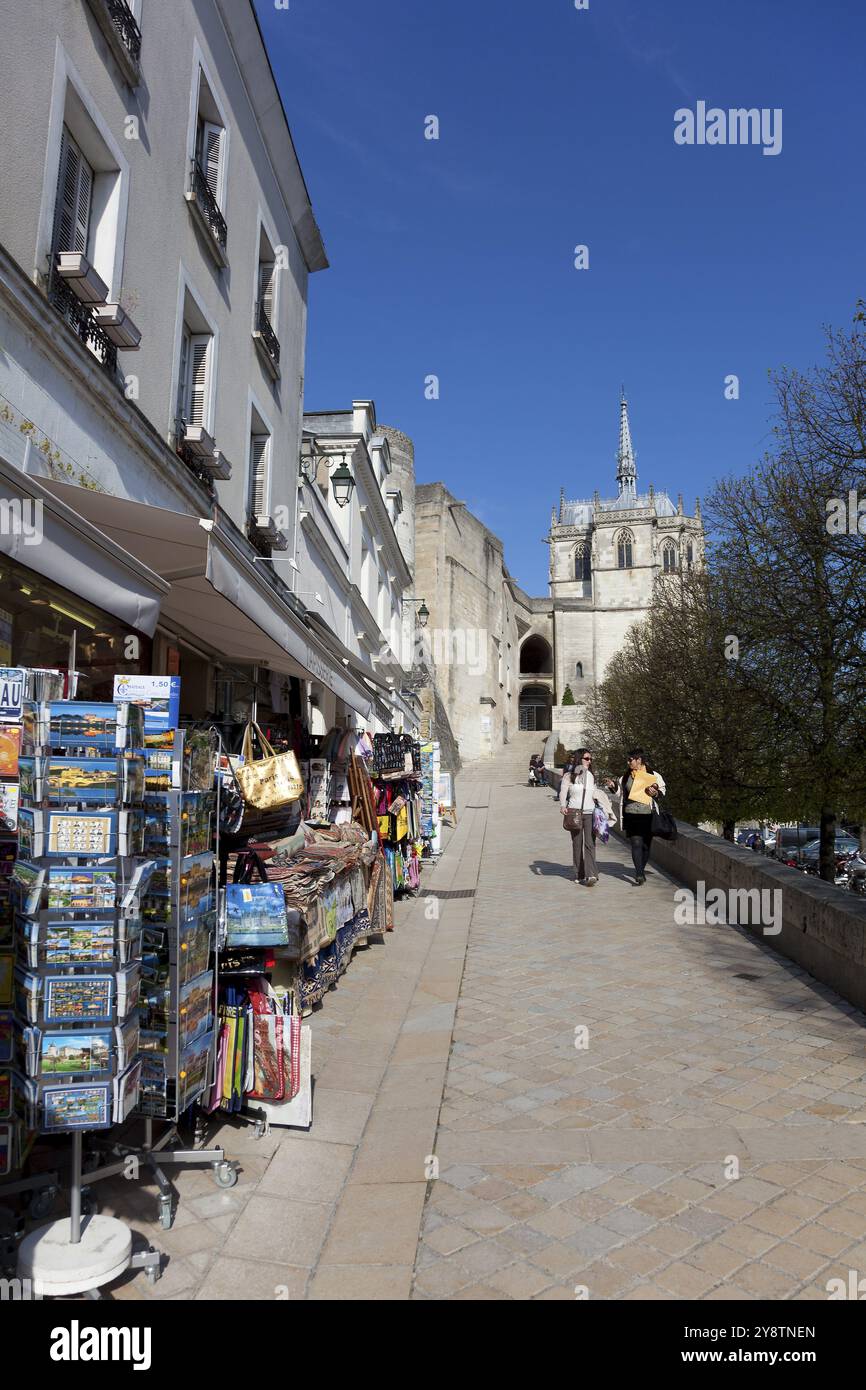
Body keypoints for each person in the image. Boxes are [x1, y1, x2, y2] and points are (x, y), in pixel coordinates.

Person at [607, 748, 666, 886]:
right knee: (636, 843)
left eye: (630, 760)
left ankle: (641, 868)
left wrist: (655, 793)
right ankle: (639, 874)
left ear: (639, 760)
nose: (628, 762)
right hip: (630, 814)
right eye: (628, 760)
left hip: (647, 815)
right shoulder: (626, 776)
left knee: (646, 846)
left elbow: (663, 790)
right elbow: (619, 793)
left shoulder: (653, 775)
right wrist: (612, 786)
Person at [559, 747, 612, 886]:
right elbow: (563, 791)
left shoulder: (591, 775)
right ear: (579, 759)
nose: (590, 761)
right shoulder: (569, 775)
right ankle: (578, 873)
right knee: (577, 844)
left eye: (590, 759)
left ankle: (590, 875)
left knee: (590, 844)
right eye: (586, 758)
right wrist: (563, 805)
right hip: (574, 813)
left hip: (590, 813)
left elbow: (593, 792)